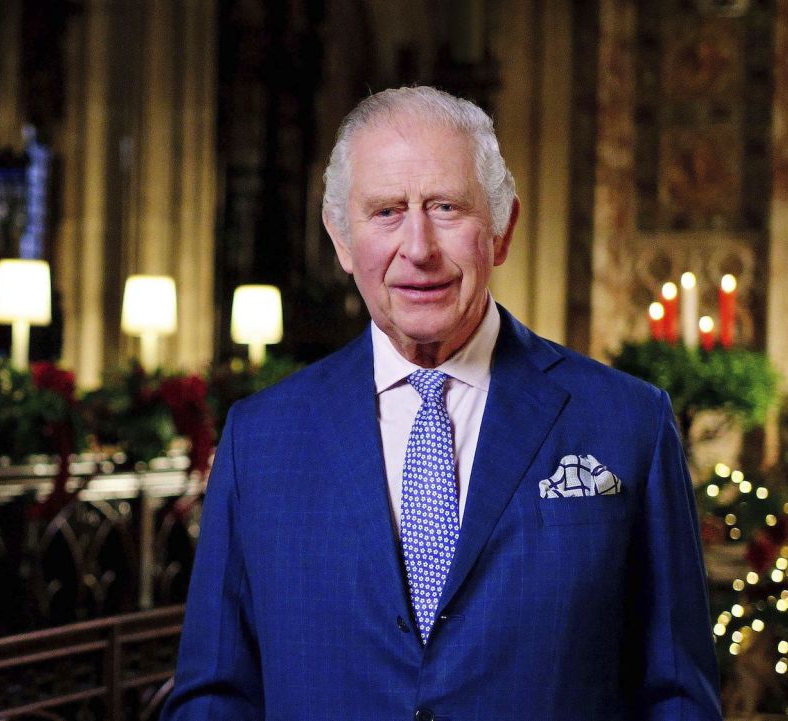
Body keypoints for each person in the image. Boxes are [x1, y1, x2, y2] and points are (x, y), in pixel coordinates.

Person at [162, 86, 721, 721]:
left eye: (446, 207)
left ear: (502, 229)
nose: (419, 247)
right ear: (342, 241)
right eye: (386, 212)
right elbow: (216, 698)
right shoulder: (260, 439)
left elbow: (676, 696)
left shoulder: (627, 423)